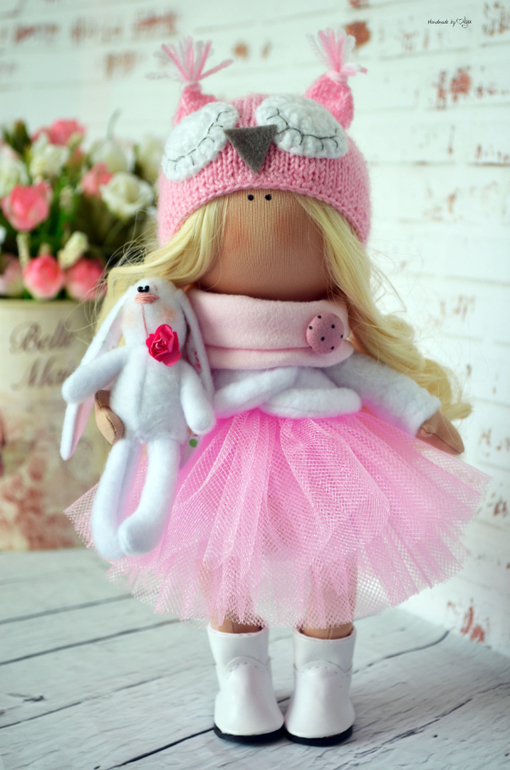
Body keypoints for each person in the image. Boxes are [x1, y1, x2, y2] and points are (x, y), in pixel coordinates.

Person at [67, 30, 489, 747]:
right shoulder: (181, 331)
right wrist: (120, 413)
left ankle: (325, 680)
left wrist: (420, 413)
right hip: (222, 443)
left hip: (327, 440)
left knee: (330, 555)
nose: (261, 207)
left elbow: (363, 372)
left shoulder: (328, 331)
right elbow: (150, 381)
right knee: (224, 559)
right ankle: (241, 676)